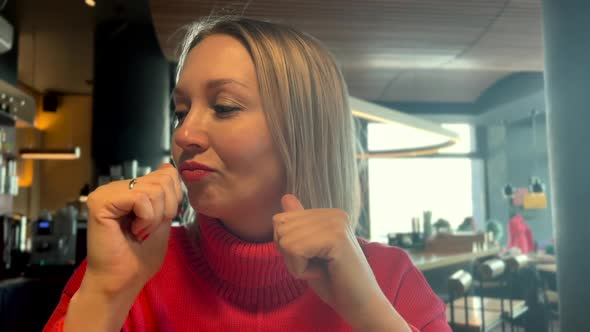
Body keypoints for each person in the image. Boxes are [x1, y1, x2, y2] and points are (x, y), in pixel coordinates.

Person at [44, 17, 449, 331]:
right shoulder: (128, 267)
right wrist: (105, 295)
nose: (183, 134)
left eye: (224, 107)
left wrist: (369, 313)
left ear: (304, 131)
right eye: (181, 111)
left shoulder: (390, 279)